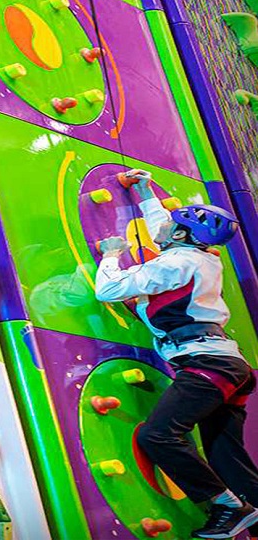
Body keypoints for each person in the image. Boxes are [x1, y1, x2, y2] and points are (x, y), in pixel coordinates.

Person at [95, 169, 258, 539]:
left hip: (206, 364)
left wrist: (112, 255)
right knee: (225, 453)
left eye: (174, 221)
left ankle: (228, 506)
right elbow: (164, 230)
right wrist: (144, 191)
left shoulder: (175, 263)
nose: (165, 223)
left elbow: (110, 290)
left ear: (182, 235)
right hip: (229, 365)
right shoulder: (198, 257)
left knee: (158, 436)